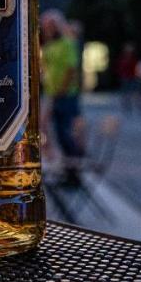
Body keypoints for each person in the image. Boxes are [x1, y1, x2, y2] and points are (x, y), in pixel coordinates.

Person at [42, 9, 83, 182]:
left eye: (52, 25)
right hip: (52, 94)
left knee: (66, 132)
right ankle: (66, 168)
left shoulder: (67, 43)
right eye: (46, 26)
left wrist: (63, 89)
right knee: (55, 131)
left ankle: (73, 173)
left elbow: (71, 68)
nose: (49, 29)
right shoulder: (49, 45)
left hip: (65, 95)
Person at [114, 42, 141, 113]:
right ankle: (127, 107)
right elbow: (119, 68)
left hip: (133, 77)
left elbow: (137, 68)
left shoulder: (133, 59)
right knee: (126, 93)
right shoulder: (123, 59)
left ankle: (139, 106)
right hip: (126, 78)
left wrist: (138, 75)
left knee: (136, 93)